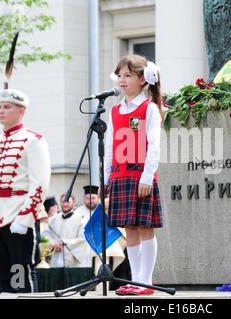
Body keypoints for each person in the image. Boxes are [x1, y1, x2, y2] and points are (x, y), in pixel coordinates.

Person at [0, 88, 51, 293]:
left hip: (19, 214)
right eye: (0, 107)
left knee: (20, 273)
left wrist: (25, 218)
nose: (1, 111)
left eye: (7, 107)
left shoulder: (33, 140)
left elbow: (40, 184)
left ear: (21, 111)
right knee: (1, 274)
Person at [105, 54, 163, 296]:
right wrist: (107, 179)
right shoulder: (115, 110)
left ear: (143, 80)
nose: (122, 80)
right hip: (119, 177)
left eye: (128, 75)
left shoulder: (148, 108)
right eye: (119, 75)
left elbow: (154, 145)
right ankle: (135, 279)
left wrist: (147, 177)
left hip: (140, 176)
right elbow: (110, 147)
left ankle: (145, 281)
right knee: (129, 229)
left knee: (144, 227)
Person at [47, 194, 91, 268]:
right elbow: (47, 235)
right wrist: (53, 244)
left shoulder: (81, 219)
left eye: (68, 202)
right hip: (55, 260)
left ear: (73, 203)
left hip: (73, 262)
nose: (65, 204)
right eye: (63, 202)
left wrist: (64, 243)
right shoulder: (53, 220)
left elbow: (83, 239)